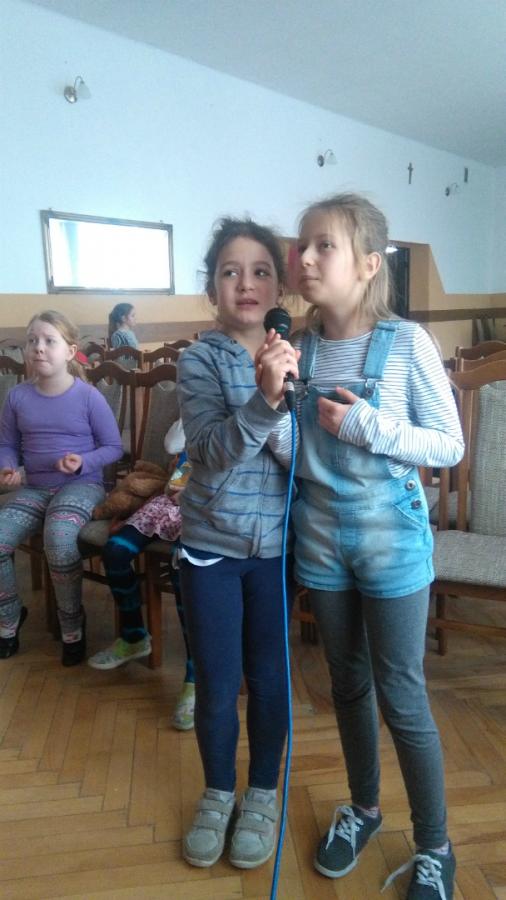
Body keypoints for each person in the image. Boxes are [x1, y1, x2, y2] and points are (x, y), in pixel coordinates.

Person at [284, 193, 464, 899]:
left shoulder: (407, 342)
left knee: (403, 694)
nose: (303, 258)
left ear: (367, 264)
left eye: (322, 245)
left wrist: (368, 427)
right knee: (347, 684)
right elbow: (290, 452)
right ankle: (363, 808)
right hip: (320, 537)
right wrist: (269, 401)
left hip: (392, 539)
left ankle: (435, 845)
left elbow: (447, 445)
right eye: (301, 244)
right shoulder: (297, 349)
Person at [176, 217, 299, 869]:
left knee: (271, 681)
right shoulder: (198, 359)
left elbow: (302, 459)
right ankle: (218, 791)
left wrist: (281, 398)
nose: (246, 283)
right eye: (230, 271)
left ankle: (262, 793)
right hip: (211, 550)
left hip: (276, 552)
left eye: (260, 271)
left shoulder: (299, 358)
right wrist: (263, 402)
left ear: (279, 286)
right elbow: (208, 451)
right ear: (212, 289)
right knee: (219, 683)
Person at [0, 310, 123, 665]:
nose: (38, 347)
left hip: (82, 486)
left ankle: (72, 625)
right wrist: (8, 466)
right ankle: (9, 618)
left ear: (70, 351)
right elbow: (7, 444)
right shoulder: (17, 397)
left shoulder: (88, 396)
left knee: (58, 536)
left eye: (49, 341)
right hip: (35, 489)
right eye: (32, 341)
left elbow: (113, 447)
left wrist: (82, 461)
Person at [87, 422, 196, 732]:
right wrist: (187, 414)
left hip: (209, 503)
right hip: (174, 491)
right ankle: (134, 636)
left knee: (180, 567)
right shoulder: (195, 407)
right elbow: (173, 446)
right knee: (115, 552)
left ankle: (195, 674)